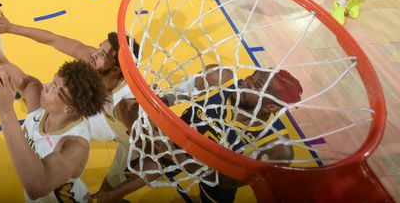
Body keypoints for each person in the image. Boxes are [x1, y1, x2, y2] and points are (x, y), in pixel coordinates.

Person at [0, 0, 107, 202]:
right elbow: (1, 64)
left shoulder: (74, 146)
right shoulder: (36, 95)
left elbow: (37, 185)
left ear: (69, 108)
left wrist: (5, 112)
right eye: (53, 80)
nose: (46, 86)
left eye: (55, 88)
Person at [91, 66, 302, 202]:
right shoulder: (220, 78)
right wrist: (165, 101)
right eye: (251, 76)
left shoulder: (277, 147)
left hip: (213, 174)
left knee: (217, 194)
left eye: (256, 86)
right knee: (128, 111)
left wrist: (179, 157)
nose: (245, 82)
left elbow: (226, 180)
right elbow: (177, 94)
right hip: (175, 141)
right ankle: (113, 193)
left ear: (272, 108)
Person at [0, 9, 142, 195]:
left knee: (108, 194)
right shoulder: (97, 62)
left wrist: (115, 194)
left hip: (127, 138)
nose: (94, 54)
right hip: (100, 117)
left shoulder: (128, 106)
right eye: (99, 48)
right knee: (62, 97)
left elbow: (157, 163)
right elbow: (53, 39)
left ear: (117, 70)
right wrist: (12, 28)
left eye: (102, 54)